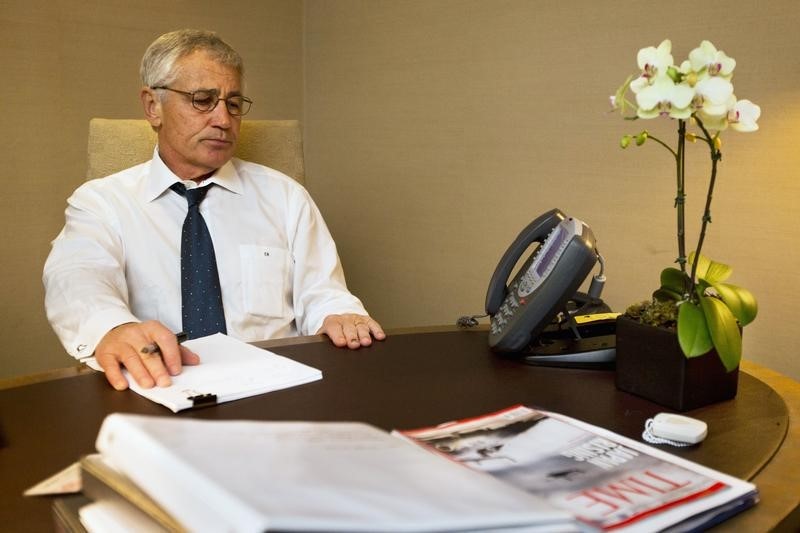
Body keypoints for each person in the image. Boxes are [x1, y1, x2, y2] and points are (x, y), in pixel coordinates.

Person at [43, 29, 384, 391]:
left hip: (275, 391)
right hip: (163, 389)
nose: (223, 119)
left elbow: (323, 294)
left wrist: (340, 316)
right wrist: (112, 327)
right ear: (152, 106)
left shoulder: (286, 197)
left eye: (233, 103)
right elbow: (76, 278)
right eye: (203, 99)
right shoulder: (102, 202)